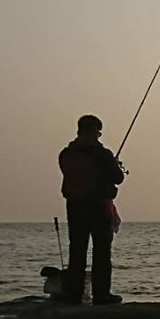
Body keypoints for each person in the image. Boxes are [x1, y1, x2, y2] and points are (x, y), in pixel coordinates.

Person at [59, 114, 125, 305]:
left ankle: (74, 294)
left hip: (74, 207)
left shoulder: (66, 154)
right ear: (95, 131)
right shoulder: (101, 154)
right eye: (98, 132)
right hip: (98, 207)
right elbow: (118, 178)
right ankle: (102, 295)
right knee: (102, 252)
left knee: (77, 251)